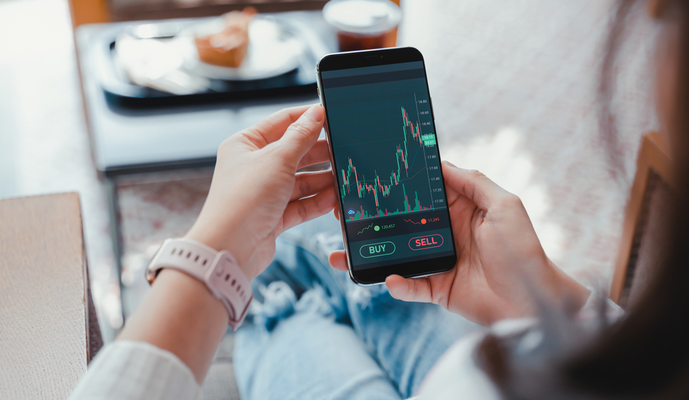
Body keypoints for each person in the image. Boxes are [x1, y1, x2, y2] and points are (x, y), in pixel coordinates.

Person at [68, 0, 689, 398]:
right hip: (541, 351)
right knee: (343, 257)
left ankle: (277, 303)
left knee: (290, 292)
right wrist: (539, 296)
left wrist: (210, 255)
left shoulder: (486, 380)